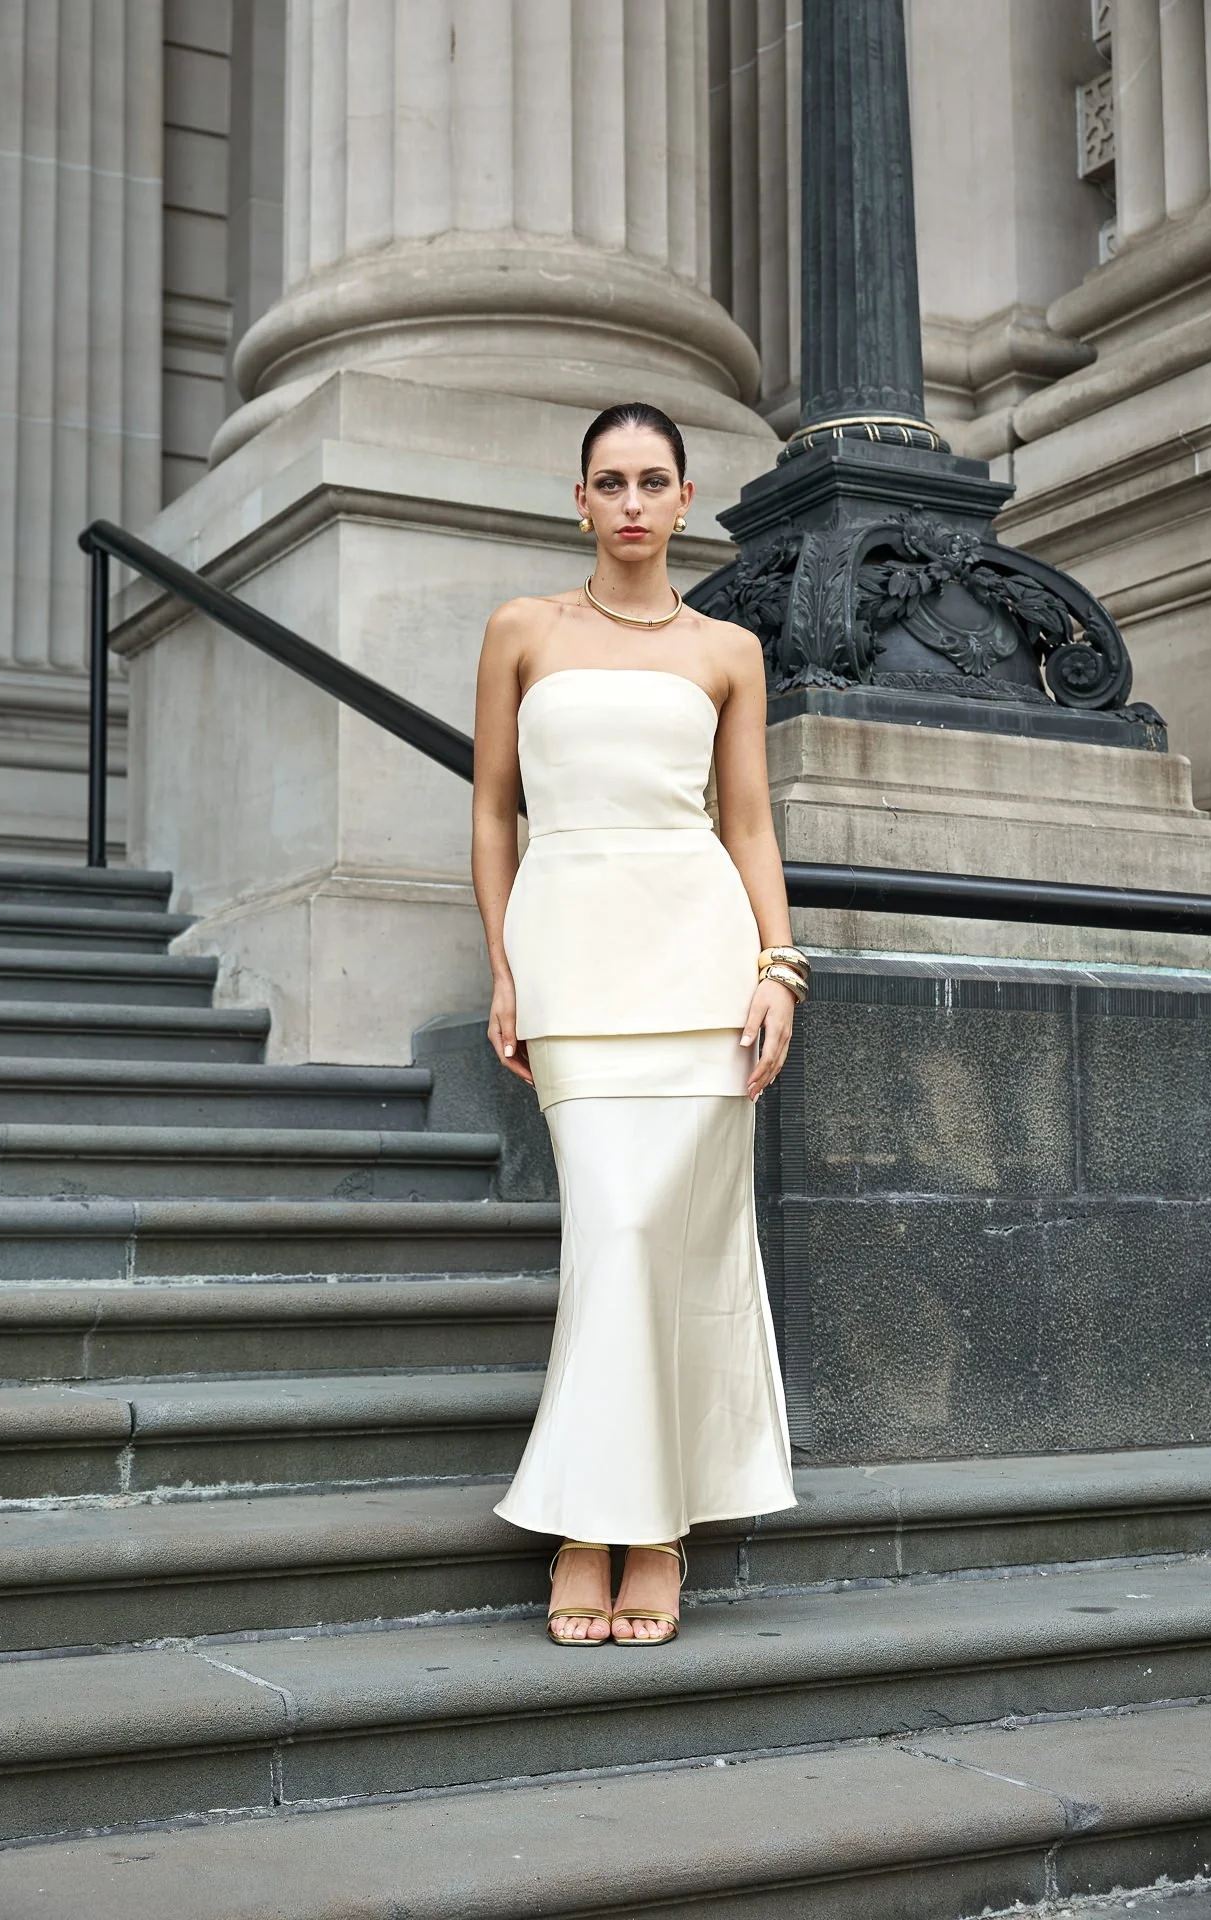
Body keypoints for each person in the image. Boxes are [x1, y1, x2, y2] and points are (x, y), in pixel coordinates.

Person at [470, 401, 802, 1648]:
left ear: (682, 498)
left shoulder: (727, 649)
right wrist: (501, 964)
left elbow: (749, 825)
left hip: (696, 957)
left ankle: (643, 1528)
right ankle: (584, 1521)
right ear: (578, 500)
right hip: (569, 956)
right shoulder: (521, 631)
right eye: (605, 481)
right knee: (610, 1227)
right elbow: (493, 816)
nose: (627, 503)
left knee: (670, 1241)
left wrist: (776, 968)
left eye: (649, 481)